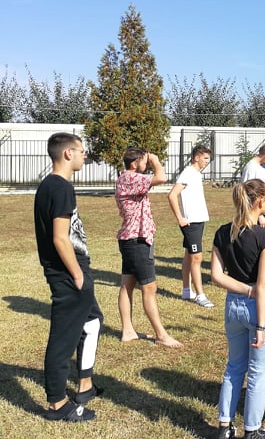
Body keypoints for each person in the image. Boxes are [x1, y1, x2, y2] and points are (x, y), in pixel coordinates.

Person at [34, 132, 103, 422]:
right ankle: (57, 404)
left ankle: (85, 386)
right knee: (63, 339)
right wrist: (77, 275)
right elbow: (60, 238)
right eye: (81, 150)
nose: (84, 155)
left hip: (71, 270)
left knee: (93, 321)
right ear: (67, 153)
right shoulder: (60, 187)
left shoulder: (50, 185)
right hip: (67, 274)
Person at [211, 180, 265, 439]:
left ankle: (224, 427)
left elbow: (217, 276)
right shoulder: (264, 237)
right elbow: (262, 285)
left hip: (233, 306)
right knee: (258, 374)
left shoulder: (222, 233)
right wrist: (261, 325)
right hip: (259, 308)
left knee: (234, 367)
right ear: (261, 201)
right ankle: (252, 430)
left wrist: (243, 291)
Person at [115, 147, 182, 348]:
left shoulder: (128, 179)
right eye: (144, 162)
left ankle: (128, 331)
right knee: (149, 287)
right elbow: (162, 178)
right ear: (134, 164)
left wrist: (148, 161)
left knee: (127, 284)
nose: (147, 165)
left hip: (131, 239)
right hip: (137, 240)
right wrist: (155, 160)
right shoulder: (130, 178)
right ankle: (161, 335)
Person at [169, 145, 215, 308]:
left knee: (189, 255)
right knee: (197, 258)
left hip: (198, 221)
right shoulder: (188, 172)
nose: (207, 161)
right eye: (205, 158)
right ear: (196, 157)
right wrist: (180, 218)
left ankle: (186, 290)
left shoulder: (196, 174)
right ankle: (200, 295)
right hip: (191, 223)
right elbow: (172, 195)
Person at [241, 144, 265, 232]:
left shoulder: (263, 167)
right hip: (257, 214)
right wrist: (260, 216)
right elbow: (248, 193)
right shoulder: (251, 168)